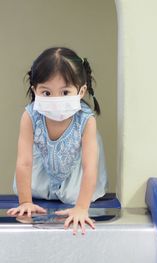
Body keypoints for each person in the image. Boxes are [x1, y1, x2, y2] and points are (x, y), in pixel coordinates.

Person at [7, 47, 108, 235]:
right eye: (46, 93)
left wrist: (81, 208)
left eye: (64, 92)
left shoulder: (87, 120)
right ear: (35, 90)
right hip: (43, 169)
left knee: (73, 196)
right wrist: (25, 202)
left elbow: (90, 167)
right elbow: (24, 162)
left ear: (81, 91)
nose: (55, 99)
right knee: (33, 190)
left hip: (76, 173)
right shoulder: (30, 116)